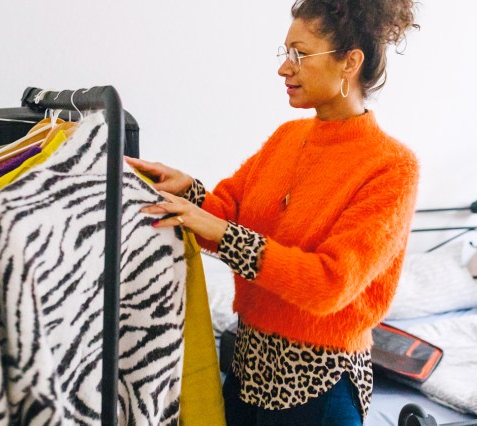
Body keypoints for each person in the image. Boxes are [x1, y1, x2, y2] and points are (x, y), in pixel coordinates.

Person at [125, 0, 419, 424]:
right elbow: (226, 214)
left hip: (318, 391)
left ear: (349, 62)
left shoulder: (391, 166)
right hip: (246, 372)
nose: (284, 68)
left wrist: (223, 233)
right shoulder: (287, 137)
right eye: (285, 53)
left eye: (299, 54)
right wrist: (189, 191)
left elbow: (329, 284)